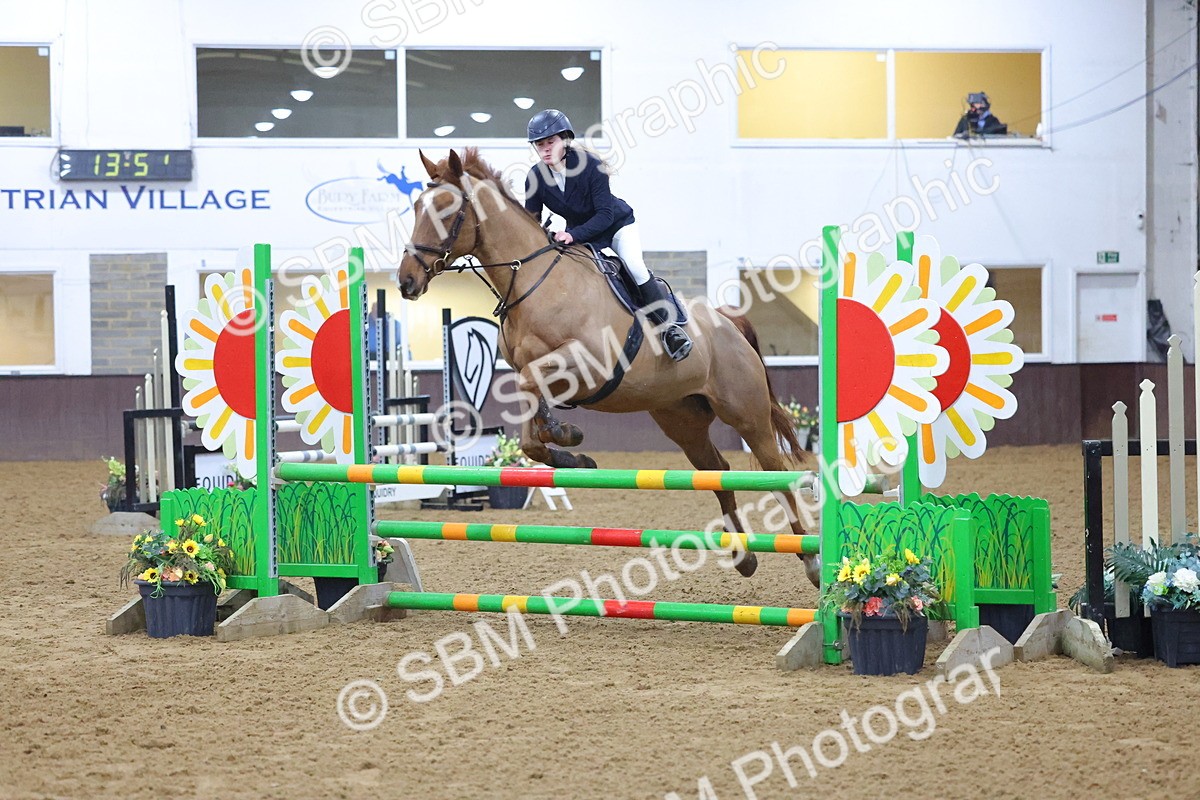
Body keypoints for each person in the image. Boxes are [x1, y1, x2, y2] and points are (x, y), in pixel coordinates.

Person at [523, 108, 692, 362]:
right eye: (539, 145)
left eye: (550, 142)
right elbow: (531, 221)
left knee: (634, 267)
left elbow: (605, 215)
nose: (545, 149)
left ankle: (670, 329)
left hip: (616, 226)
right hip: (580, 234)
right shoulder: (535, 177)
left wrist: (572, 236)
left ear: (565, 140)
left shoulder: (592, 166)